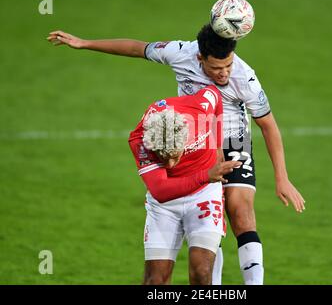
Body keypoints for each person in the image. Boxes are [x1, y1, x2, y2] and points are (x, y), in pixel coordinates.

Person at [47, 25, 306, 285]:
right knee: (207, 224)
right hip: (188, 142)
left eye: (228, 66)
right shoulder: (180, 52)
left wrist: (281, 178)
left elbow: (268, 125)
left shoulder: (245, 77)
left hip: (234, 139)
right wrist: (85, 43)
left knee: (241, 212)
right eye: (216, 69)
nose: (224, 73)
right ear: (200, 58)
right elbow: (138, 48)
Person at [129, 84, 241, 284]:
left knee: (202, 271)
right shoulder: (141, 140)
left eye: (173, 156)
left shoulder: (199, 112)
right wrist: (206, 175)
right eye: (163, 157)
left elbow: (214, 94)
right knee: (155, 281)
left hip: (203, 195)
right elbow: (161, 191)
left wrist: (216, 145)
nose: (170, 164)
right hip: (166, 204)